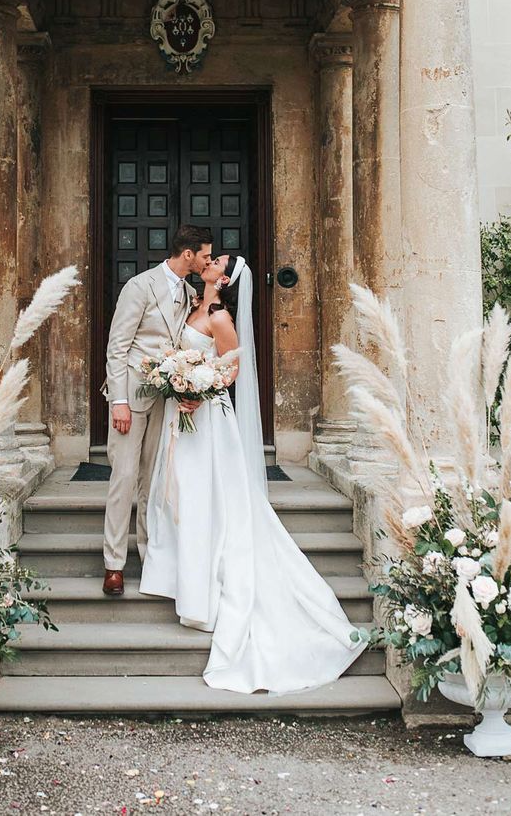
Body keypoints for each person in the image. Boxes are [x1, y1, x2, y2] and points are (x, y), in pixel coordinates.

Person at [139, 253, 366, 694]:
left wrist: (195, 389)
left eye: (216, 259)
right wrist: (175, 379)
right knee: (182, 494)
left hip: (207, 419)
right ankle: (179, 573)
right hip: (183, 418)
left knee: (208, 496)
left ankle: (204, 585)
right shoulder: (190, 305)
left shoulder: (220, 317)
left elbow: (232, 370)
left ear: (222, 278)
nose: (208, 259)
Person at [101, 225, 213, 597]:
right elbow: (117, 347)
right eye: (205, 255)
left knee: (153, 480)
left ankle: (150, 557)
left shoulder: (188, 291)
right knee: (124, 477)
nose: (207, 261)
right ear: (188, 255)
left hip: (165, 397)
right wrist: (118, 400)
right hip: (131, 397)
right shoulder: (139, 287)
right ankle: (114, 564)